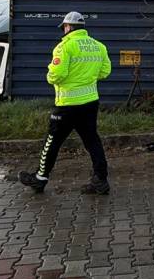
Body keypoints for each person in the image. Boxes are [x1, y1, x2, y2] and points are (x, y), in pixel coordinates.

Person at [20, 12, 112, 194]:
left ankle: (40, 178)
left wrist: (50, 76)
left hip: (67, 104)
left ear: (68, 27)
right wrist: (87, 77)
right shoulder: (99, 46)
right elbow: (105, 72)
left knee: (52, 141)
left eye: (64, 27)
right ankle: (100, 180)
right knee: (92, 141)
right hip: (90, 102)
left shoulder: (64, 47)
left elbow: (57, 75)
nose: (64, 30)